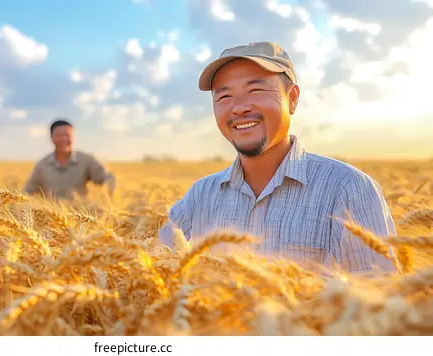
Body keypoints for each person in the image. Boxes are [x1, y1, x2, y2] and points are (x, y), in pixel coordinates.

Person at [158, 41, 396, 274]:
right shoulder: (199, 196)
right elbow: (149, 274)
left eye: (256, 90)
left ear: (292, 98)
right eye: (224, 97)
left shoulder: (349, 189)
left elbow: (381, 303)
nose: (239, 107)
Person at [23, 119, 115, 200]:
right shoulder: (42, 165)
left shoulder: (86, 160)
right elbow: (28, 192)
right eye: (59, 135)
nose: (64, 139)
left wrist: (107, 199)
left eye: (67, 135)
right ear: (51, 138)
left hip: (80, 215)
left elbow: (107, 179)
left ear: (73, 137)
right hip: (50, 217)